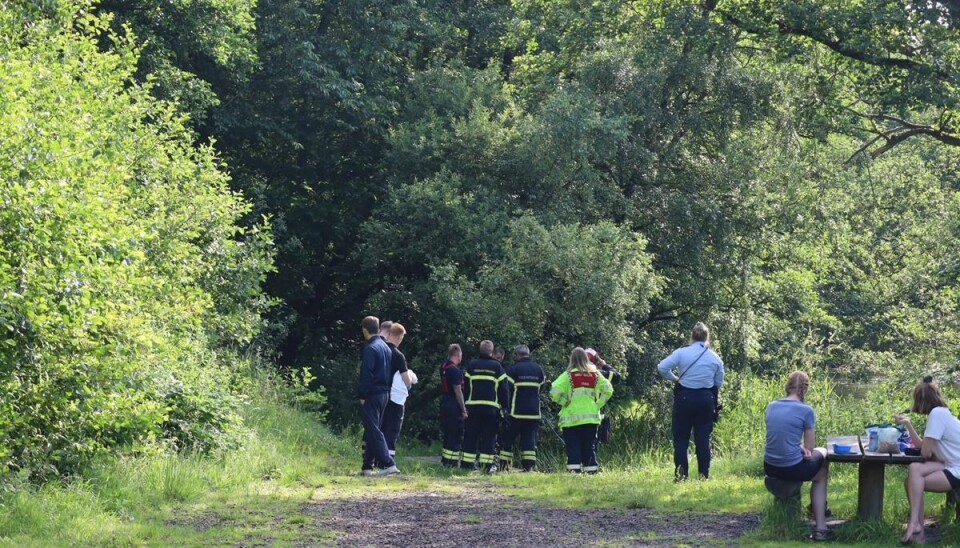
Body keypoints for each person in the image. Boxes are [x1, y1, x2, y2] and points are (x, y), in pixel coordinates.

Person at [764, 371, 830, 542]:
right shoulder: (806, 410)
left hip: (770, 466)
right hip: (791, 468)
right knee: (823, 464)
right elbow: (810, 448)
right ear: (805, 389)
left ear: (788, 386)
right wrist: (807, 450)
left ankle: (815, 511)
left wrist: (799, 448)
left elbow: (781, 437)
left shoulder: (771, 406)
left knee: (818, 465)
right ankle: (821, 525)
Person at [894, 376, 960, 544]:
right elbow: (925, 446)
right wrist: (908, 425)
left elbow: (925, 452)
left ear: (921, 401)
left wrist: (928, 451)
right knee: (914, 471)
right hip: (950, 463)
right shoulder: (942, 413)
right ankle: (917, 527)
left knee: (912, 480)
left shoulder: (937, 415)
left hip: (957, 468)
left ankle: (916, 526)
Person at [656, 321, 724, 480]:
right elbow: (718, 382)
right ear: (707, 338)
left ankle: (681, 476)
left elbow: (662, 367)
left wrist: (675, 379)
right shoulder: (715, 358)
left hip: (684, 398)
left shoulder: (681, 353)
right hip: (706, 399)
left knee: (681, 439)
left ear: (692, 337)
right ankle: (704, 476)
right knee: (703, 438)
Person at [550, 347, 613, 473]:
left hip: (571, 418)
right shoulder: (595, 374)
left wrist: (565, 402)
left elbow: (553, 392)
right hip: (591, 417)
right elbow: (609, 389)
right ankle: (591, 472)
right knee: (589, 446)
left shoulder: (568, 375)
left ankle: (574, 473)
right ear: (585, 358)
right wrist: (598, 405)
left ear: (571, 359)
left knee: (573, 447)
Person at [358, 316, 399, 476]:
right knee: (373, 429)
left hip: (372, 394)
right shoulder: (386, 348)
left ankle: (388, 463)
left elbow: (367, 374)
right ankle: (367, 466)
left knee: (373, 429)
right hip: (384, 393)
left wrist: (363, 394)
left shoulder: (370, 348)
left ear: (364, 329)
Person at [462, 340, 509, 473]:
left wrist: (464, 404)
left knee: (471, 436)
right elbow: (503, 389)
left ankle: (467, 464)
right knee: (489, 438)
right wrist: (505, 407)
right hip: (491, 409)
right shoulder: (497, 367)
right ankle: (486, 466)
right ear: (492, 352)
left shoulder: (472, 365)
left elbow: (465, 387)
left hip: (473, 408)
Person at [500, 345, 546, 472]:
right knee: (529, 440)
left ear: (518, 355)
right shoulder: (538, 369)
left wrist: (505, 408)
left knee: (509, 439)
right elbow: (542, 388)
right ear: (528, 354)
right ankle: (528, 466)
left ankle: (504, 465)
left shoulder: (513, 369)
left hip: (516, 412)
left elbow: (507, 390)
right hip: (534, 413)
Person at [382, 323, 416, 461]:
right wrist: (410, 381)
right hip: (395, 398)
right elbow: (406, 378)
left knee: (381, 428)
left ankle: (377, 458)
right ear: (399, 336)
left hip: (380, 394)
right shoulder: (398, 355)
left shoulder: (380, 350)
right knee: (392, 429)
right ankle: (389, 461)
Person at [439, 344, 467, 467]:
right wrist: (463, 409)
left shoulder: (444, 366)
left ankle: (445, 460)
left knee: (448, 432)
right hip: (453, 404)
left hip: (445, 401)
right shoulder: (455, 370)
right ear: (458, 354)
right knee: (455, 433)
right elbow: (458, 391)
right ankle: (452, 462)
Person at [586, 348, 621, 445]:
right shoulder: (600, 374)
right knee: (592, 447)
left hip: (575, 417)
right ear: (596, 361)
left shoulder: (571, 375)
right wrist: (604, 365)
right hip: (593, 415)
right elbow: (616, 377)